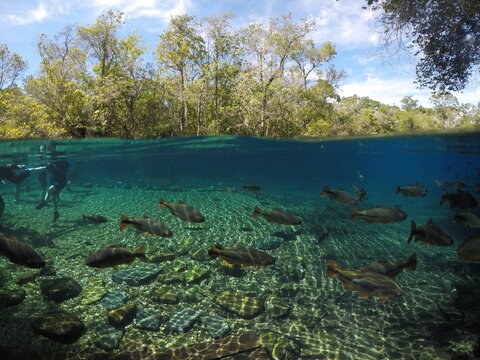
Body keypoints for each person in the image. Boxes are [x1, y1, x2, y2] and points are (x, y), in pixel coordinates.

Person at [35, 152, 69, 222]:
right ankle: (56, 213)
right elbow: (42, 168)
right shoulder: (50, 163)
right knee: (54, 197)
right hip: (54, 181)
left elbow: (63, 171)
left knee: (50, 189)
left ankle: (44, 202)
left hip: (62, 181)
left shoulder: (63, 162)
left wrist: (53, 165)